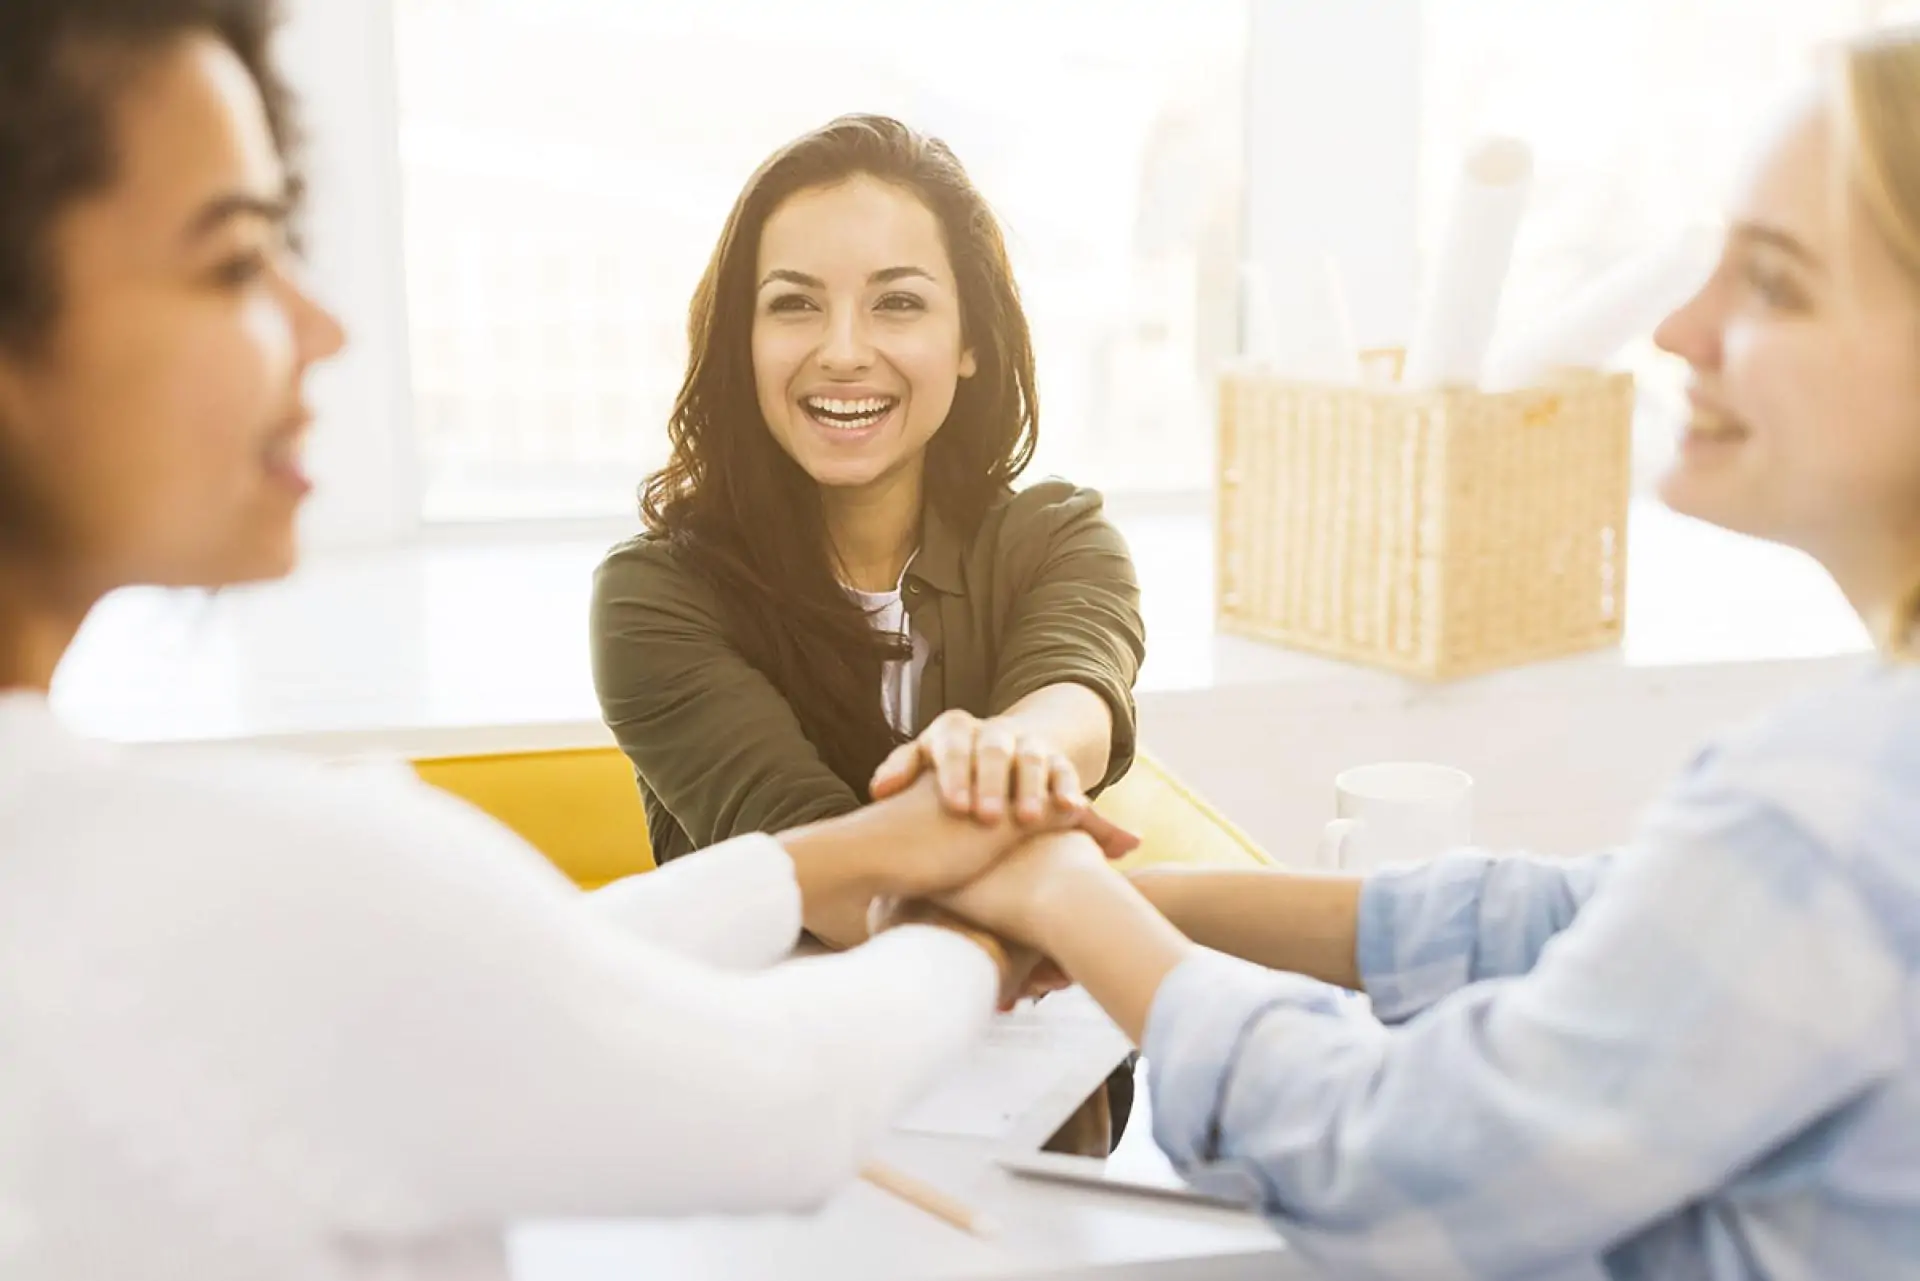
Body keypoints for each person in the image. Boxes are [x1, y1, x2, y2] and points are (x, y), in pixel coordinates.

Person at [0, 5, 1078, 1277]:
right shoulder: (245, 867)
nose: (321, 327)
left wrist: (835, 859)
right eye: (235, 264)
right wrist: (986, 929)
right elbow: (770, 1099)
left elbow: (497, 976)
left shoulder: (139, 878)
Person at [925, 25, 1920, 1281]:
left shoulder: (1829, 810)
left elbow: (1385, 1162)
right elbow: (1587, 920)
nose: (1679, 330)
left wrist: (1062, 896)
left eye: (1773, 284)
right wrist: (1126, 903)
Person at [588, 114, 1146, 1149]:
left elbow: (1080, 702)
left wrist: (1005, 753)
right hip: (764, 1114)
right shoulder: (655, 595)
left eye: (898, 302)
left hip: (1035, 1106)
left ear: (970, 340)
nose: (845, 352)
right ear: (739, 342)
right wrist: (1073, 903)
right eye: (794, 305)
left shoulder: (1059, 537)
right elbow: (826, 871)